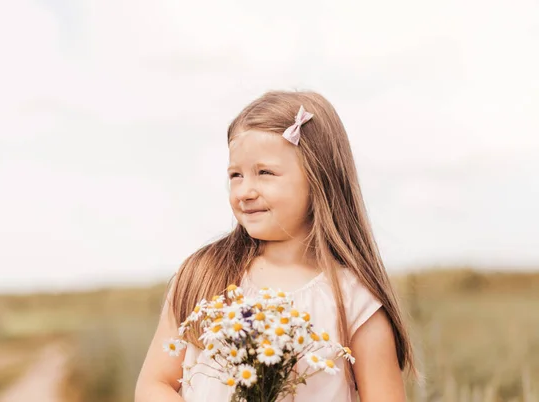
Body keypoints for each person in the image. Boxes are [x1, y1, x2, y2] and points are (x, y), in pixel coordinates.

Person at [135, 90, 419, 401]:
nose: (245, 191)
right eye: (235, 175)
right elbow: (154, 385)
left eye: (265, 173)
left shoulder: (354, 303)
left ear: (318, 177)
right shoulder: (204, 276)